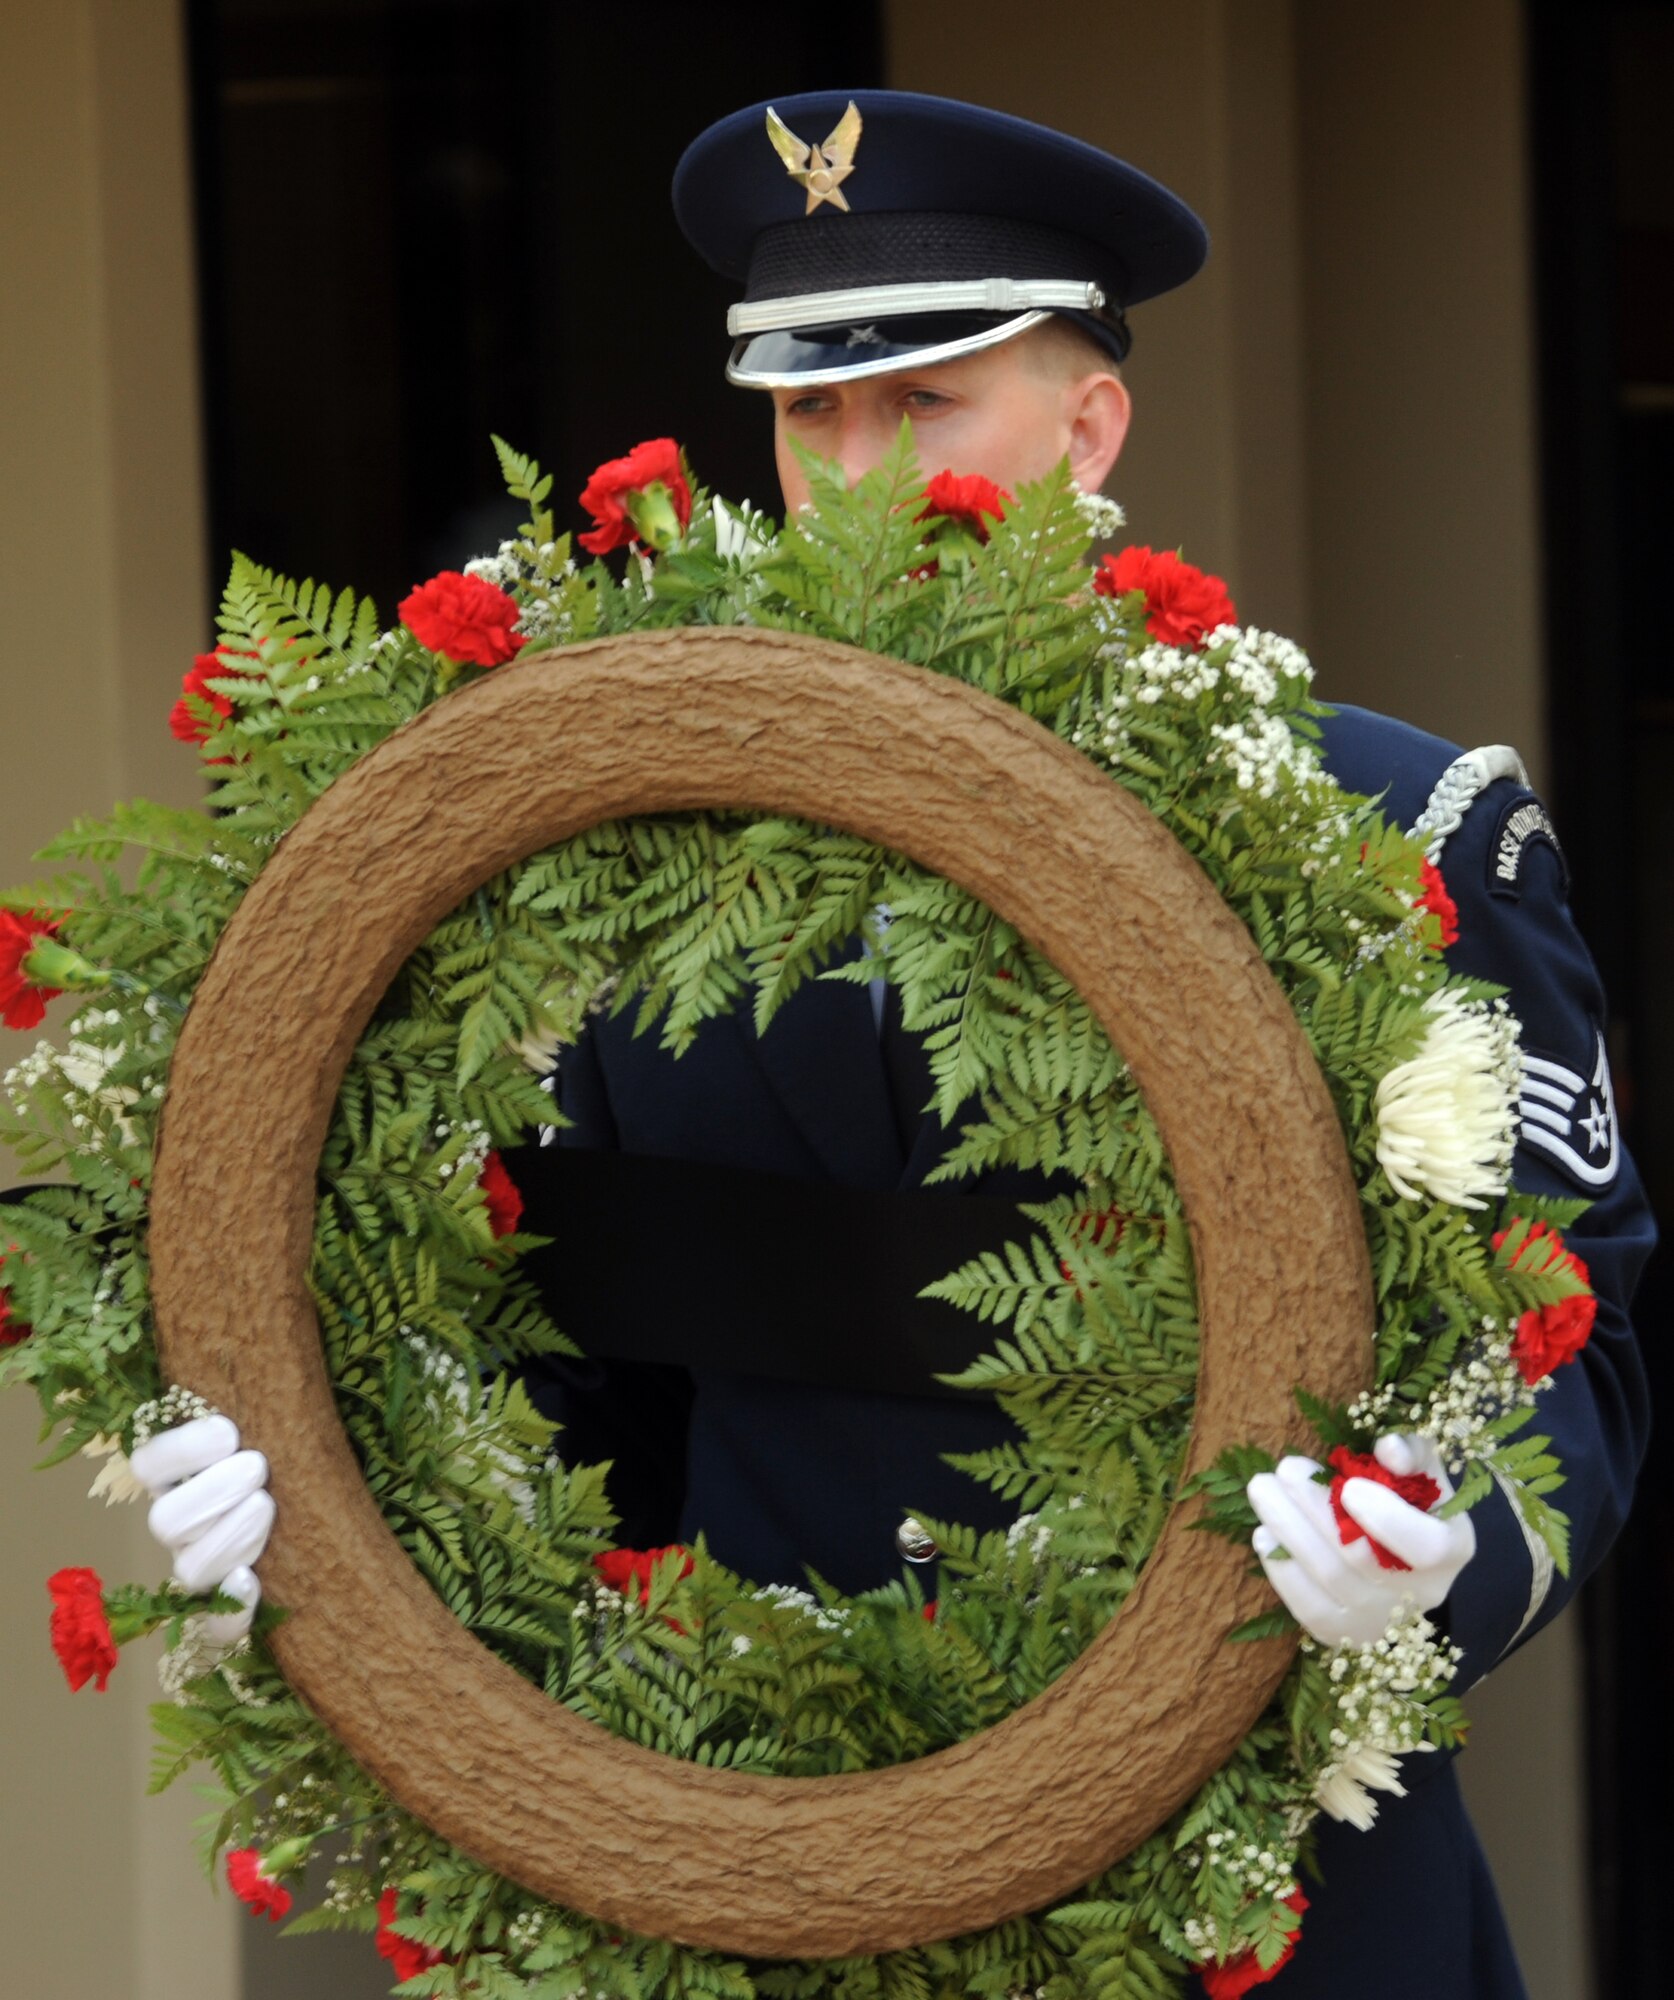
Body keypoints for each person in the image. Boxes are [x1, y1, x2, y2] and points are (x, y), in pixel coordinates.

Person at [138, 90, 1652, 1999]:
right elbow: (594, 1384)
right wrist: (323, 1505)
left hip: (1257, 1895)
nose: (852, 469)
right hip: (777, 1871)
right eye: (808, 413)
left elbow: (1569, 1335)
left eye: (926, 402)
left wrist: (1439, 1553)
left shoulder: (1392, 829)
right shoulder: (620, 858)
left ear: (1089, 428)